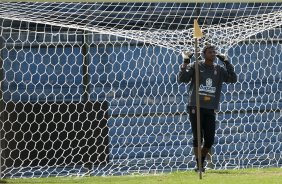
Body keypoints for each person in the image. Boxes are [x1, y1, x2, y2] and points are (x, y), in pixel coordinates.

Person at [178, 45, 237, 172]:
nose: (213, 54)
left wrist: (227, 62)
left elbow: (233, 79)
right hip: (195, 106)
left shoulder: (219, 69)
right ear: (204, 54)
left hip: (210, 108)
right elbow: (182, 79)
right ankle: (199, 165)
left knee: (209, 140)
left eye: (214, 52)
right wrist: (185, 62)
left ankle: (201, 162)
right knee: (197, 137)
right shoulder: (196, 65)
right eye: (210, 52)